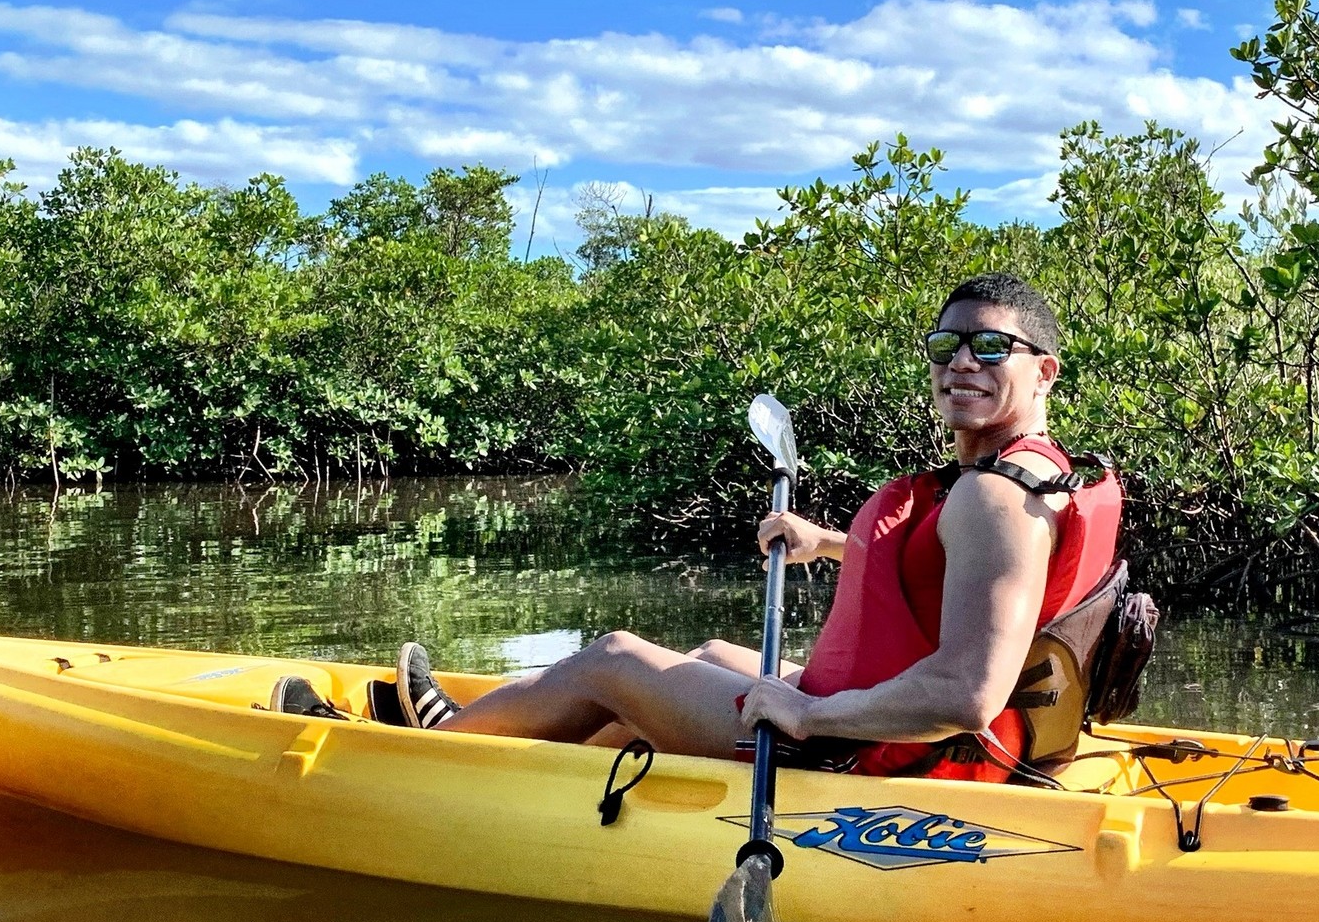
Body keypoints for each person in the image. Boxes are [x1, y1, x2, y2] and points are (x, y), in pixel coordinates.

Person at [395, 272, 1121, 782]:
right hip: (913, 734)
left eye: (991, 347)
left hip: (871, 749)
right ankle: (541, 766)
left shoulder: (994, 499)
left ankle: (439, 753)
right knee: (710, 647)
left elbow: (966, 694)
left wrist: (812, 713)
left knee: (612, 658)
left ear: (1044, 371)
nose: (963, 361)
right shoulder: (1033, 476)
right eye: (946, 346)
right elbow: (961, 578)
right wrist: (830, 541)